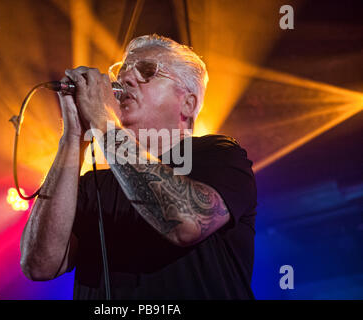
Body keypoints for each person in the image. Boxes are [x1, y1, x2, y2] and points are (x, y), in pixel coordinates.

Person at [20, 34, 257, 299]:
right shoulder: (91, 184)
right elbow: (39, 265)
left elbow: (186, 224)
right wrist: (73, 136)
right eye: (122, 74)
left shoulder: (220, 155)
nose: (125, 79)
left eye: (147, 71)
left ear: (188, 103)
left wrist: (102, 120)